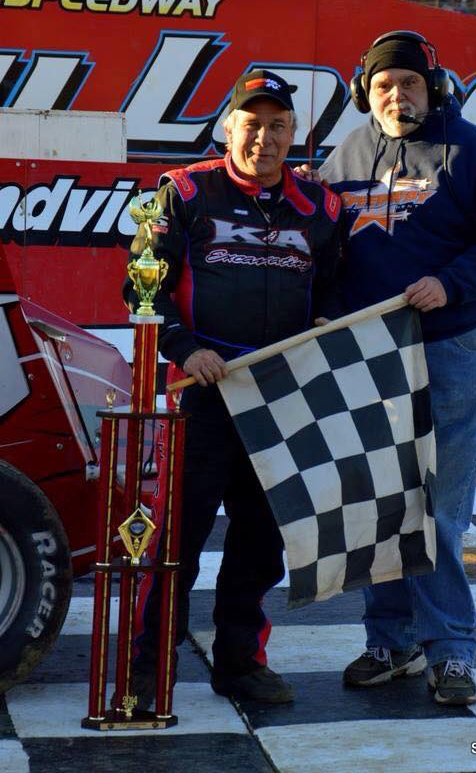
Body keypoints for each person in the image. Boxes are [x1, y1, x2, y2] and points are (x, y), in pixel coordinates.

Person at [317, 31, 476, 705]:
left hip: (448, 343)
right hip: (367, 351)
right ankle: (392, 641)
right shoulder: (345, 154)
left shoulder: (470, 149)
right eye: (384, 85)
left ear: (433, 88)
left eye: (409, 82)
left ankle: (451, 651)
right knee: (383, 503)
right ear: (365, 93)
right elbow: (322, 246)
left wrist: (452, 282)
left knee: (437, 508)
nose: (397, 95)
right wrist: (325, 309)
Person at [123, 69, 342, 706]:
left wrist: (327, 322)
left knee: (261, 540)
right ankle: (147, 666)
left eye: (278, 126)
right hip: (200, 394)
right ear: (228, 129)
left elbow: (337, 287)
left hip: (280, 397)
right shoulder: (184, 191)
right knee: (176, 539)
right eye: (252, 124)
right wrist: (187, 350)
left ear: (294, 134)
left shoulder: (322, 207)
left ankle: (240, 662)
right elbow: (141, 288)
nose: (264, 139)